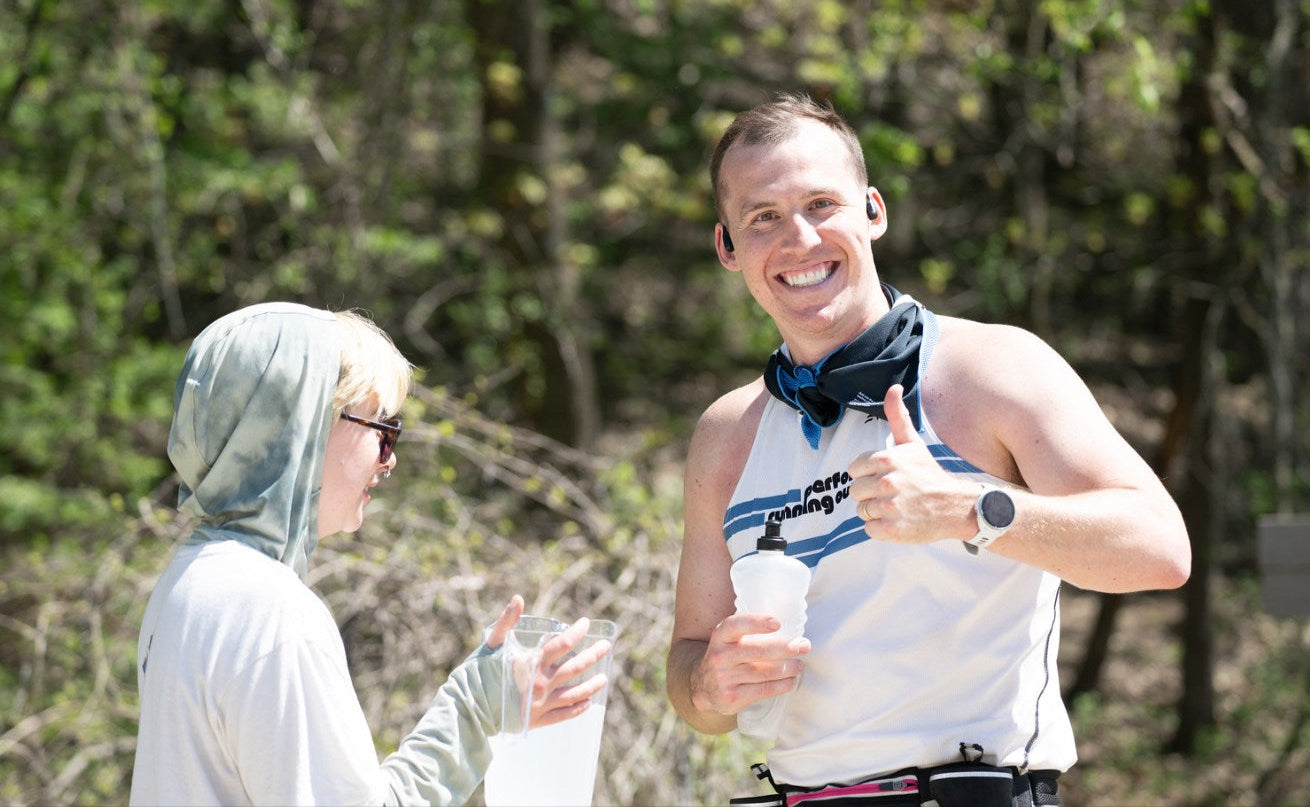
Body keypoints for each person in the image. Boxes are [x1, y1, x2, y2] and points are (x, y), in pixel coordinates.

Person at [666, 94, 1191, 807]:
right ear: (729, 247)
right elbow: (692, 673)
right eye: (763, 217)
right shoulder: (727, 435)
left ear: (873, 211)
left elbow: (1161, 547)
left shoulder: (991, 368)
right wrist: (708, 683)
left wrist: (972, 508)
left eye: (822, 204)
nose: (798, 237)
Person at [130, 302, 610, 806]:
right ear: (303, 425)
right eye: (382, 428)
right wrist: (474, 706)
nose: (390, 457)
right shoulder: (271, 615)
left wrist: (478, 705)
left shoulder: (188, 579)